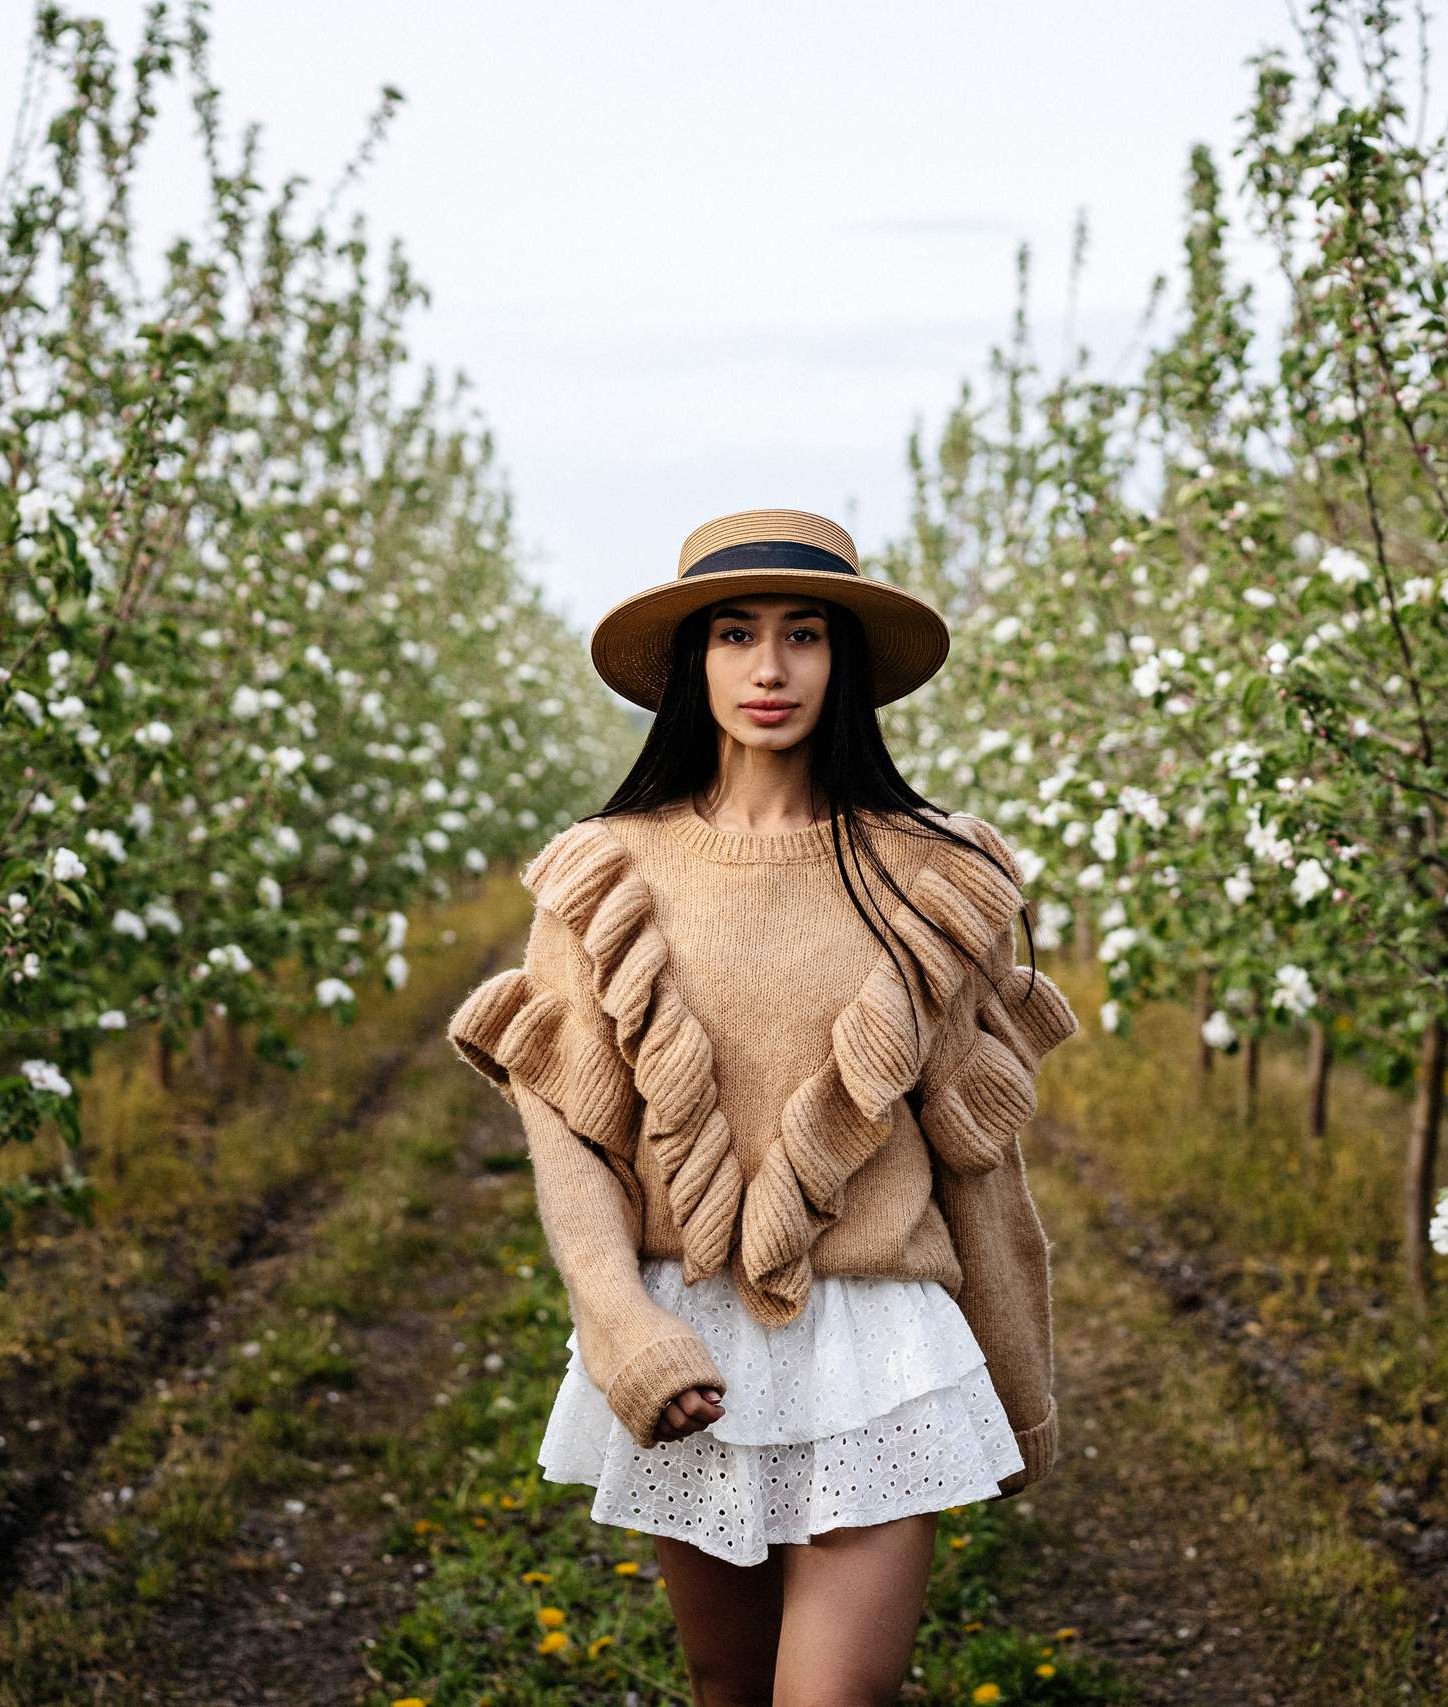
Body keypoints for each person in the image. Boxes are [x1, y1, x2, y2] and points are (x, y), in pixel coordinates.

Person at [449, 509, 1077, 1705]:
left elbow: (980, 1167)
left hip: (879, 1345)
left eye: (803, 635)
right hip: (694, 1349)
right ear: (696, 664)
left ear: (843, 663)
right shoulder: (605, 869)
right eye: (735, 635)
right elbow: (576, 1139)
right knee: (724, 1689)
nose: (770, 668)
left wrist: (1017, 1378)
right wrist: (621, 1330)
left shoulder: (932, 874)